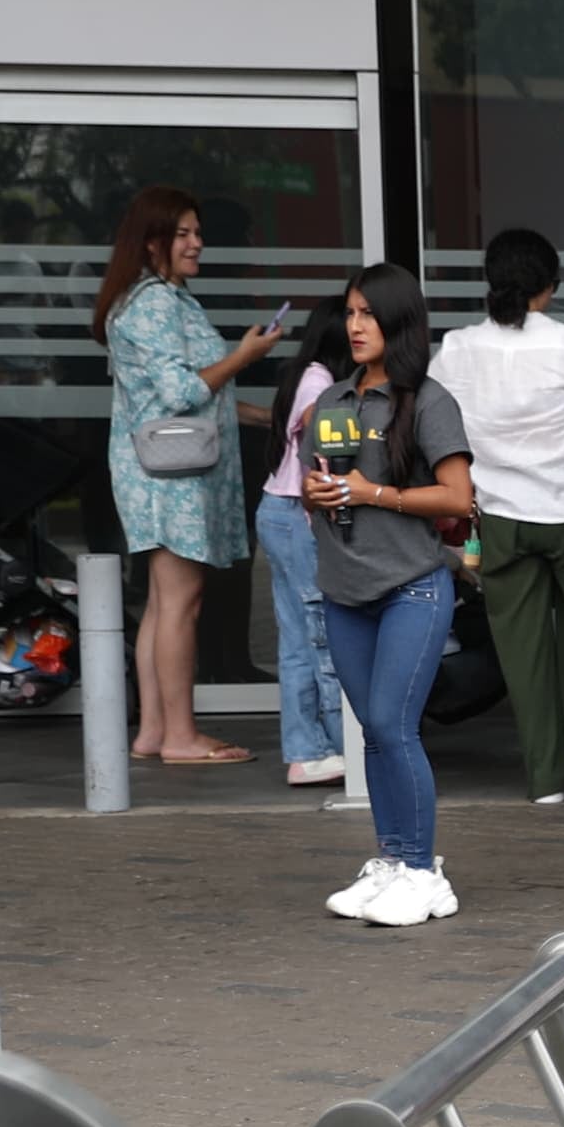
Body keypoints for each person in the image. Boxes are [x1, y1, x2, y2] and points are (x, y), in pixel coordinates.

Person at [299, 262, 476, 927]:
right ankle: (394, 858)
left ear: (398, 322)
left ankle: (425, 872)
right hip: (345, 589)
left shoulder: (429, 401)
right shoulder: (331, 402)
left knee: (396, 727)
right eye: (349, 313)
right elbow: (321, 486)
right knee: (373, 732)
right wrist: (318, 495)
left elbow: (459, 498)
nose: (353, 325)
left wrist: (376, 494)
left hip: (412, 587)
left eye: (368, 314)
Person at [437, 225, 564, 803]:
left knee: (522, 651)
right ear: (549, 286)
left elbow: (440, 428)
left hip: (499, 513)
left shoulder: (456, 348)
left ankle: (546, 779)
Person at [97, 184, 281, 766]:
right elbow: (182, 392)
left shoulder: (163, 299)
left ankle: (155, 731)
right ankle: (180, 735)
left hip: (164, 469)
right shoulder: (152, 304)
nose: (197, 243)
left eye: (198, 232)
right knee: (181, 601)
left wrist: (265, 417)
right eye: (184, 234)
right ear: (152, 242)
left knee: (163, 601)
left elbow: (202, 396)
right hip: (168, 478)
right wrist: (246, 357)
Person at [254, 294, 351, 789]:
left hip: (277, 510)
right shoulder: (320, 381)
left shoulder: (303, 371)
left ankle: (305, 752)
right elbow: (318, 435)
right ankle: (343, 747)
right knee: (323, 635)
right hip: (297, 513)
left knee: (297, 640)